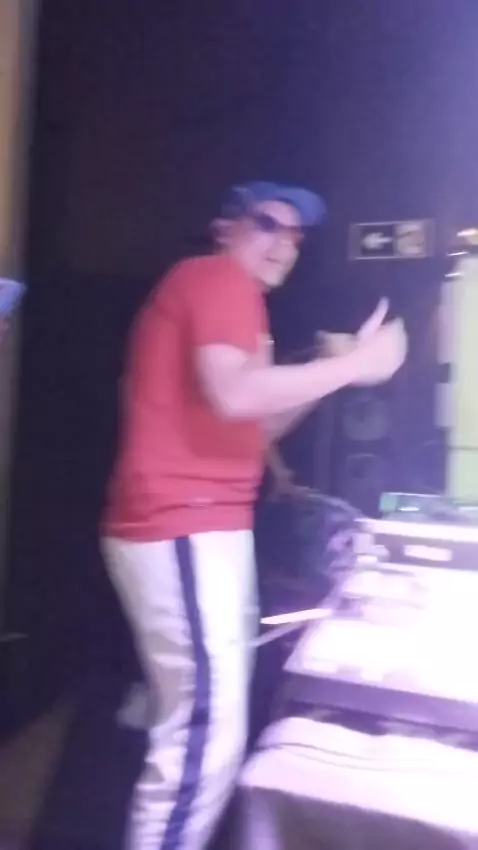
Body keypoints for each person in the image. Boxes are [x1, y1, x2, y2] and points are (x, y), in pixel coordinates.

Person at [101, 180, 407, 850]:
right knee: (203, 729)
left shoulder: (237, 304)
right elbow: (236, 394)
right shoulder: (216, 278)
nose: (284, 245)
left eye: (296, 235)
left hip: (202, 525)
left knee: (205, 722)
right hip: (181, 520)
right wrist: (353, 365)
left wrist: (329, 368)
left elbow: (258, 421)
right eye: (268, 224)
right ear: (225, 227)